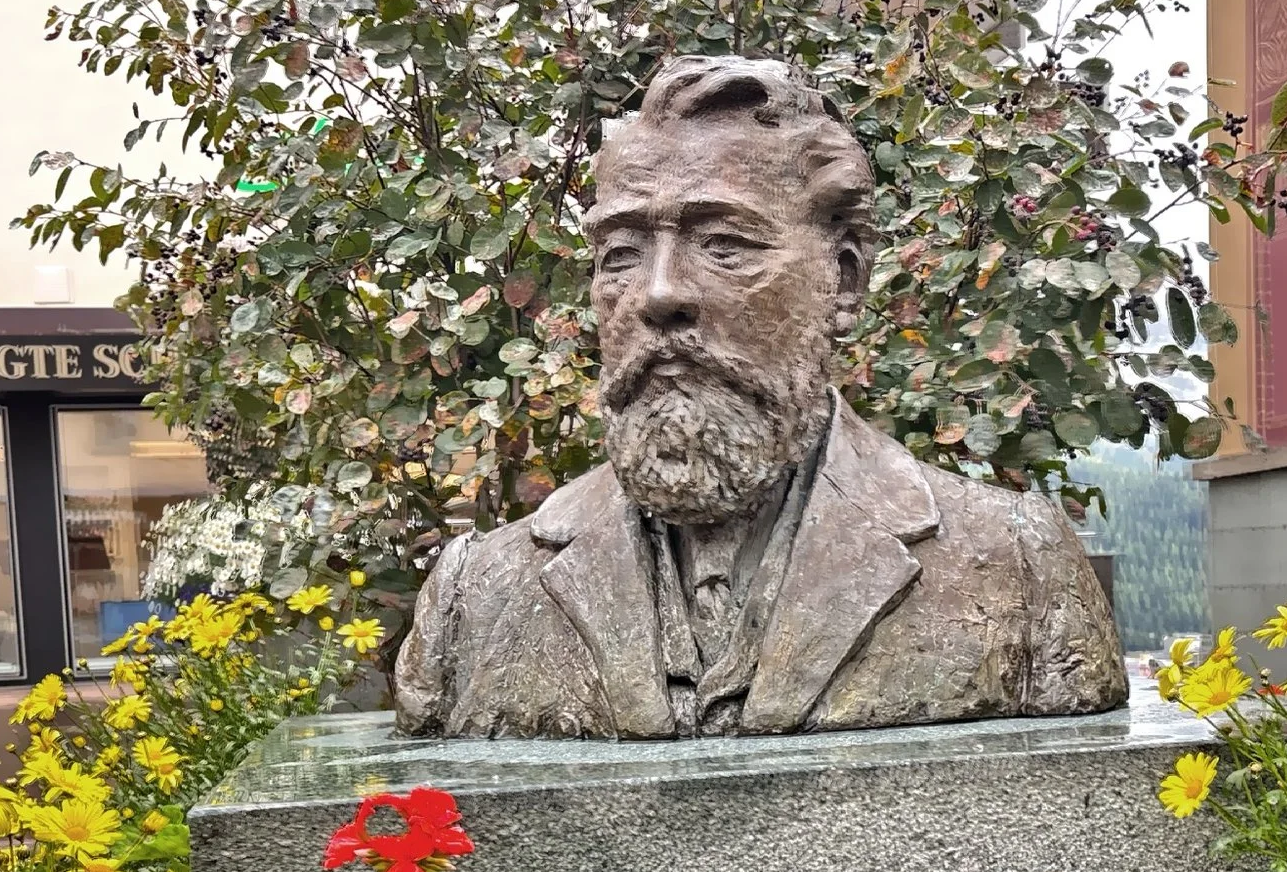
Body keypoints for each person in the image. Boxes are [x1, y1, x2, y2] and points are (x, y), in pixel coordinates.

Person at [393, 55, 1126, 739]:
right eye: (621, 254)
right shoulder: (475, 597)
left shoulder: (1016, 566)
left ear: (844, 280)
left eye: (725, 245)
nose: (659, 294)